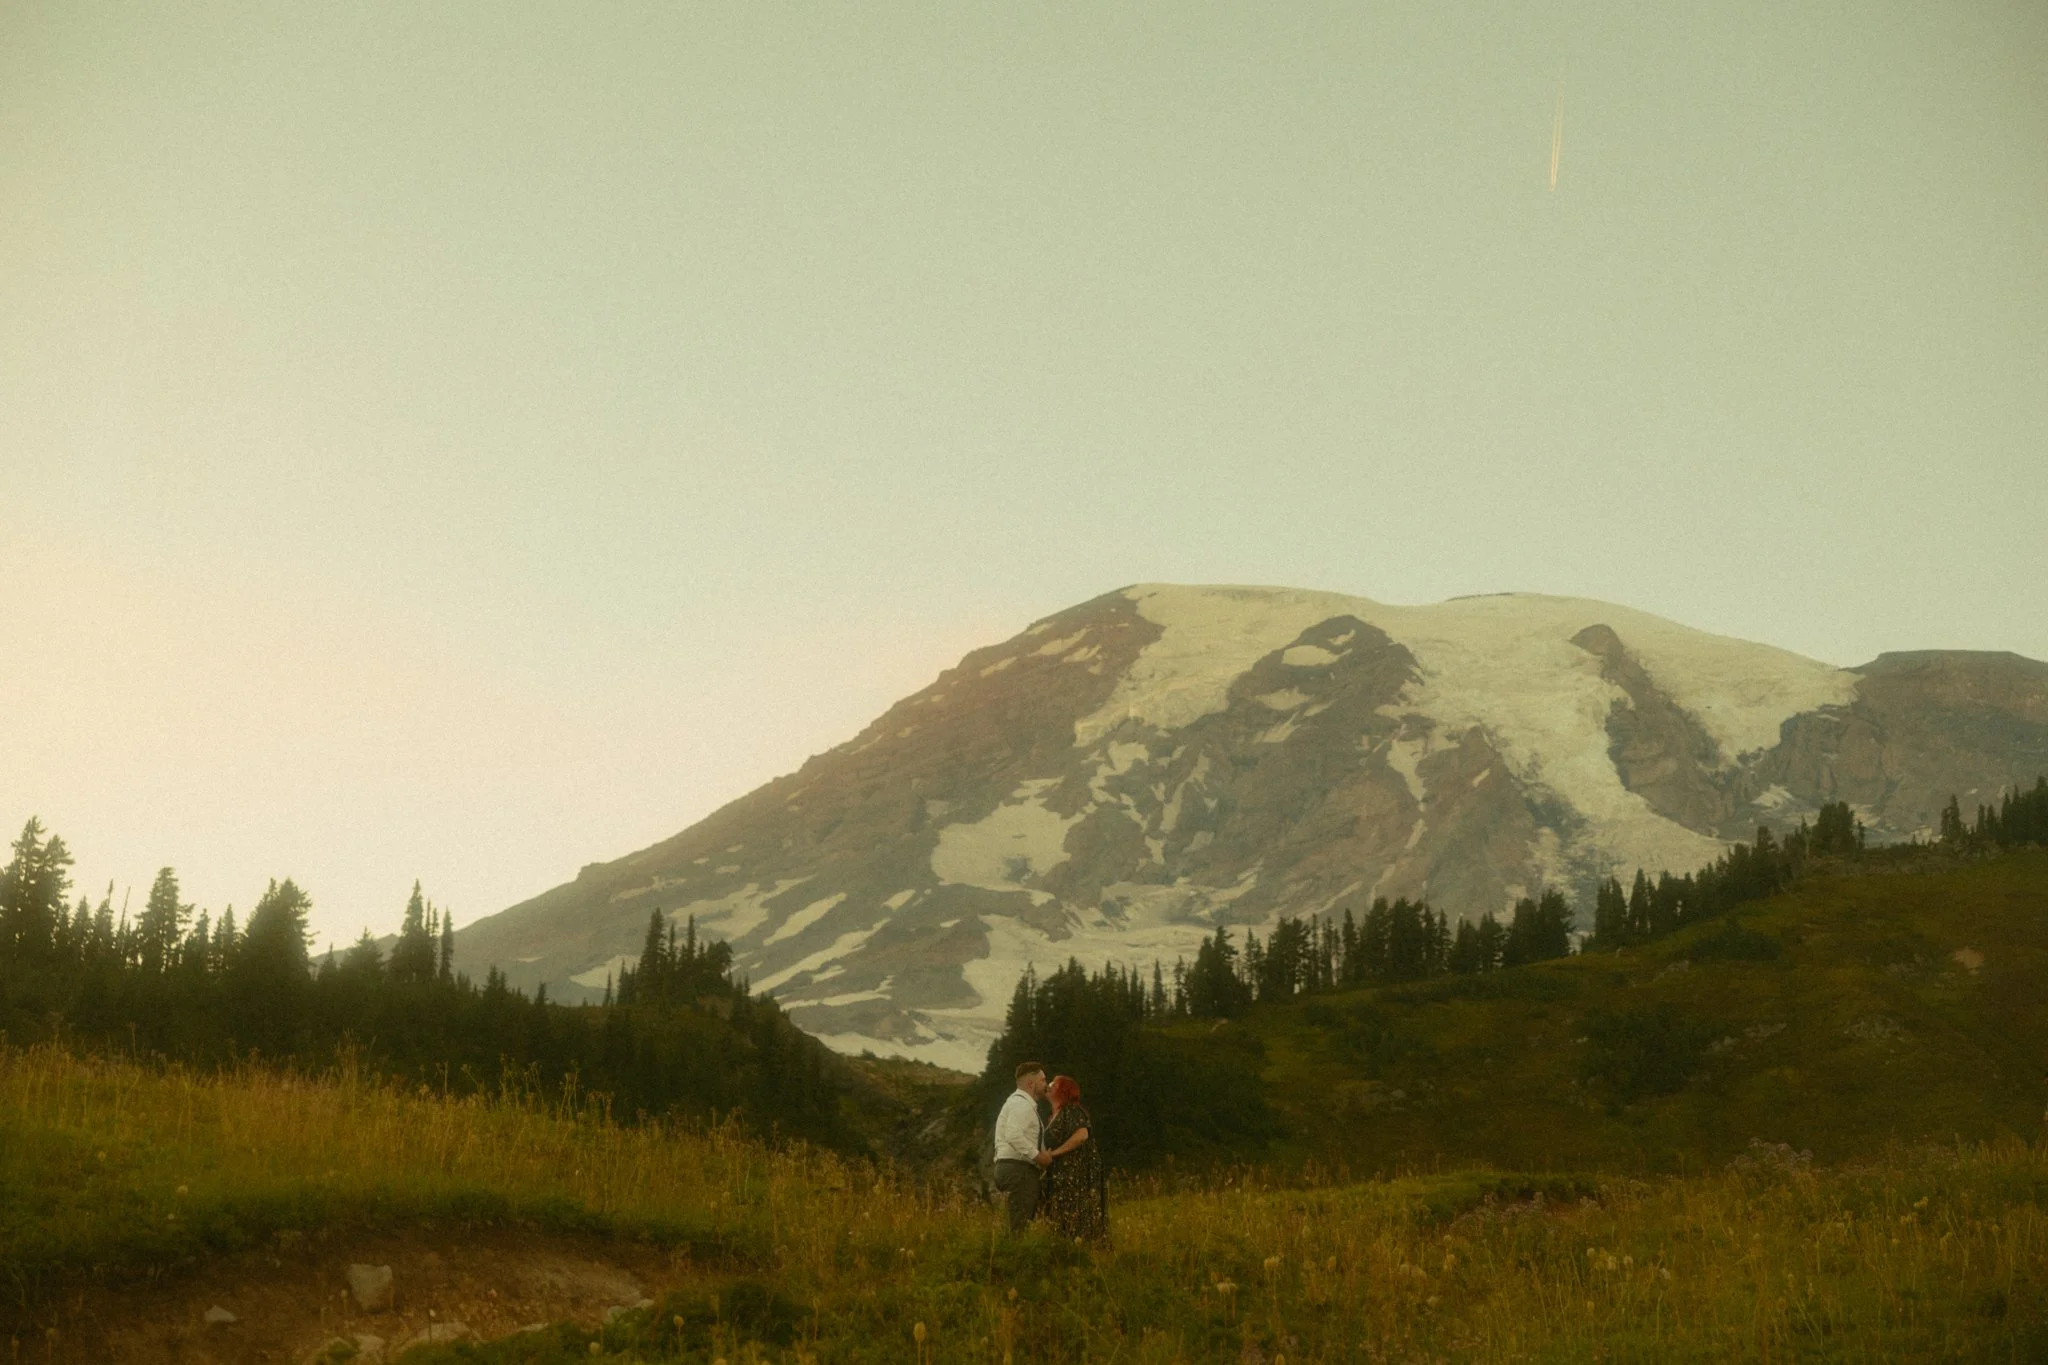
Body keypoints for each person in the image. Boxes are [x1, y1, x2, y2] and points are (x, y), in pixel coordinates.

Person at [1040, 1074, 1107, 1243]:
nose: (1048, 1086)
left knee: (1078, 1216)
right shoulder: (1052, 1116)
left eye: (1053, 1085)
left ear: (1063, 1092)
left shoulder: (1071, 1110)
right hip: (1061, 1176)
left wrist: (1054, 1154)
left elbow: (1082, 1135)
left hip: (1077, 1175)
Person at [991, 1061, 1048, 1233]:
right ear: (1031, 1083)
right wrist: (1039, 1156)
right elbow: (1013, 1134)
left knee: (1018, 1220)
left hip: (1012, 1167)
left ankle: (1012, 1253)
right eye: (1043, 1080)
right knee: (1019, 1226)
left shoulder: (1019, 1103)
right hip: (1018, 1169)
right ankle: (1014, 1256)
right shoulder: (1021, 1104)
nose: (1046, 1084)